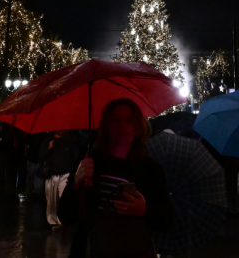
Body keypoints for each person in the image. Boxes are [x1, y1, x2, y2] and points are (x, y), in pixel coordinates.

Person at [59, 98, 173, 258]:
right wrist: (76, 183)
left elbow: (166, 220)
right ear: (106, 125)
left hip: (133, 250)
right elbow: (65, 216)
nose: (122, 126)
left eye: (128, 120)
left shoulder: (149, 169)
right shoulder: (89, 161)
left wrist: (144, 210)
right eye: (115, 120)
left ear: (137, 127)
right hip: (91, 250)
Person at [38, 130, 78, 230]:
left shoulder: (68, 141)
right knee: (51, 199)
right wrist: (49, 148)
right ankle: (53, 220)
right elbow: (41, 155)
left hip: (65, 173)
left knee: (62, 197)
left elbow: (74, 157)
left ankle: (62, 221)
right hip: (51, 174)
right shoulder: (49, 140)